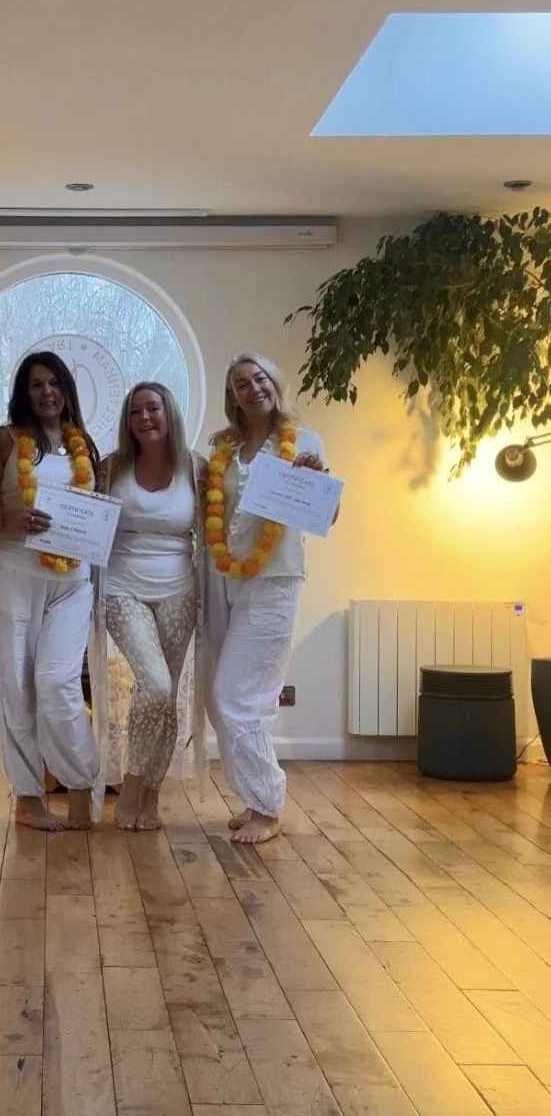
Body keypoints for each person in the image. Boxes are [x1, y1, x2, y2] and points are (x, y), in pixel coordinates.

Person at [204, 352, 334, 845]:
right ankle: (252, 796)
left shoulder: (305, 441)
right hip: (222, 577)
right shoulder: (225, 448)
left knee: (240, 694)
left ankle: (268, 805)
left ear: (275, 384)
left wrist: (316, 480)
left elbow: (328, 514)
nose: (253, 388)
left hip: (274, 578)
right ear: (232, 397)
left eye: (259, 378)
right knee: (221, 696)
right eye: (241, 383)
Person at [0, 351, 101, 831]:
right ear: (23, 393)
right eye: (36, 384)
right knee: (14, 686)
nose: (47, 392)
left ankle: (80, 788)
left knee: (58, 682)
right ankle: (28, 798)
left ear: (67, 389)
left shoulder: (83, 443)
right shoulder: (7, 439)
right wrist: (5, 516)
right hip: (14, 574)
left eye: (54, 382)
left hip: (72, 581)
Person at [98, 383, 205, 830]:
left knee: (166, 695)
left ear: (169, 413)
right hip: (122, 588)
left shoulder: (195, 469)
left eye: (153, 408)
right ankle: (132, 782)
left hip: (180, 591)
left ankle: (153, 795)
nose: (144, 417)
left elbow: (221, 525)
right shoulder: (111, 467)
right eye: (135, 411)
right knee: (156, 684)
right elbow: (85, 520)